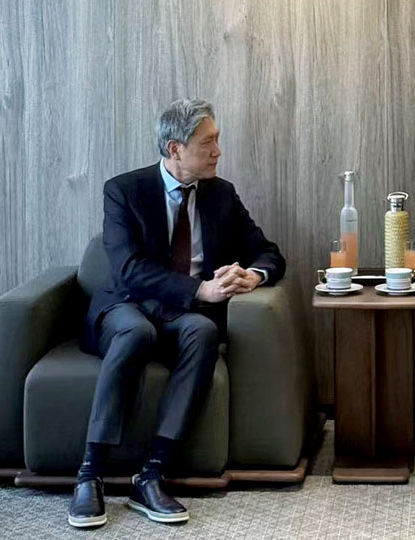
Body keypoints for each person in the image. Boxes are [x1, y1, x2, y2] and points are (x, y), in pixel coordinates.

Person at [68, 99, 286, 528]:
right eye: (208, 142)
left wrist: (253, 275)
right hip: (126, 306)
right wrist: (200, 289)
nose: (218, 151)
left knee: (203, 332)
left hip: (181, 316)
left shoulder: (221, 195)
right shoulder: (124, 191)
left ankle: (151, 473)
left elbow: (269, 252)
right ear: (175, 148)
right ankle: (89, 474)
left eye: (217, 140)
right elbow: (128, 269)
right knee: (136, 333)